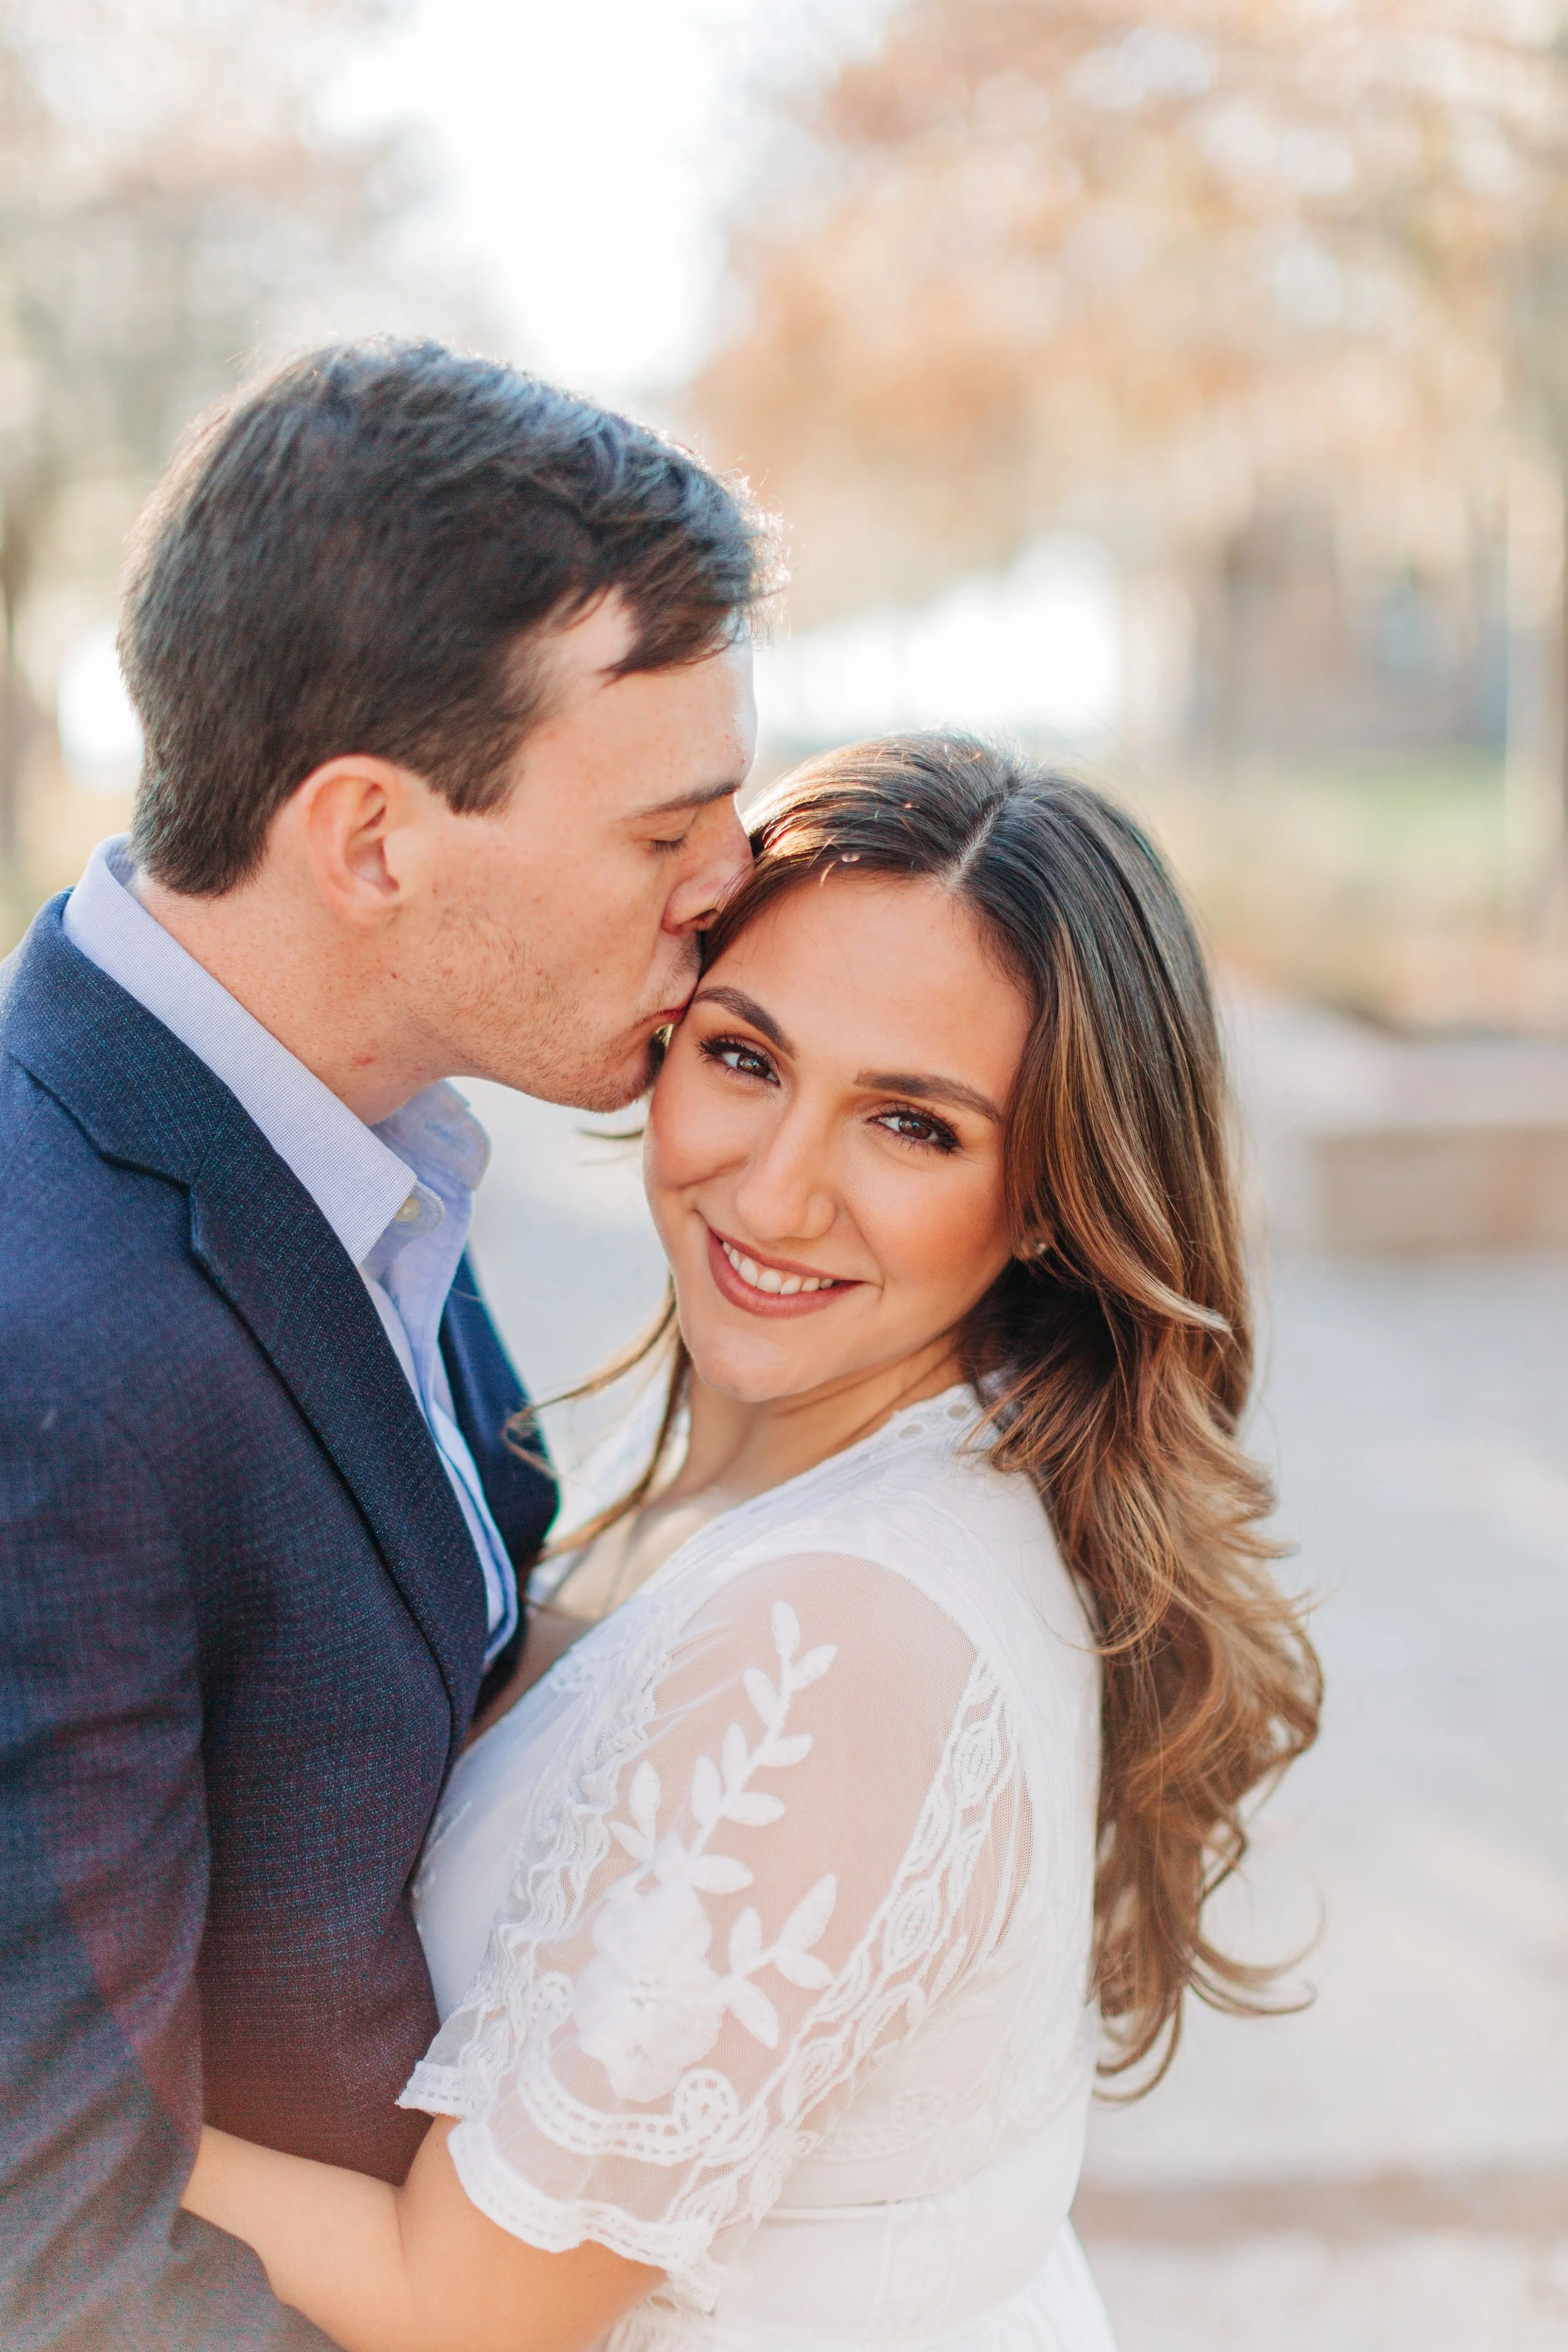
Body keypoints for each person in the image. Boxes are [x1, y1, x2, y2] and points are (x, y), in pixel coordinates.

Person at [180, 736, 1323, 2352]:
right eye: (746, 1058)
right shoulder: (817, 1479)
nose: (777, 1195)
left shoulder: (852, 1626)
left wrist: (52, 2095)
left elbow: (468, 2306)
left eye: (913, 1126)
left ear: (1057, 1190)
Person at [0, 339, 767, 2349]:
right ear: (368, 841)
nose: (730, 885)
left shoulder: (366, 1138)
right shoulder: (41, 1347)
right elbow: (59, 2264)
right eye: (658, 831)